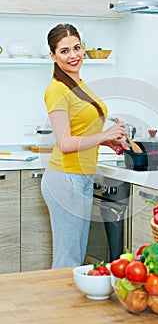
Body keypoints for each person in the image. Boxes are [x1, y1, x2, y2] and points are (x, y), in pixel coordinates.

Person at [41, 23, 128, 268]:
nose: (73, 55)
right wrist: (103, 136)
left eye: (77, 48)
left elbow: (83, 132)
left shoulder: (78, 84)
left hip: (81, 176)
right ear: (53, 56)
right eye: (65, 51)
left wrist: (107, 141)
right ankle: (60, 305)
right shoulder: (56, 90)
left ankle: (69, 305)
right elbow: (66, 143)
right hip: (65, 178)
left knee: (77, 257)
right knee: (67, 259)